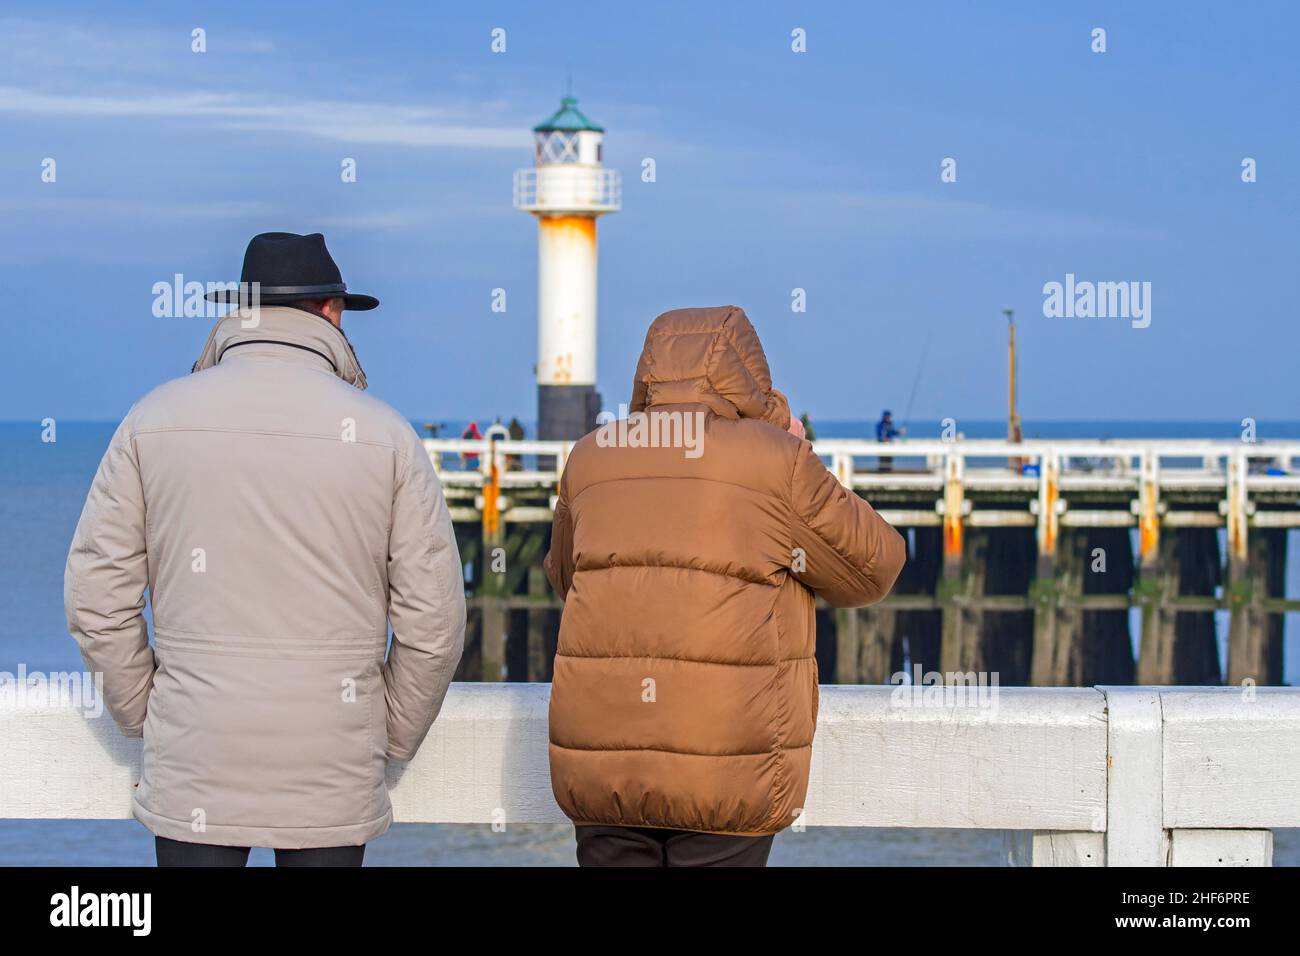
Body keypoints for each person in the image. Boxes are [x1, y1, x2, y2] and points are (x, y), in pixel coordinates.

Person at [64, 232, 466, 867]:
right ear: (332, 311)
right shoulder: (385, 434)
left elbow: (96, 599)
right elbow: (434, 625)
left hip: (196, 754)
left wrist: (155, 714)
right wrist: (385, 733)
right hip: (330, 761)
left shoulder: (152, 419)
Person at [543, 306, 906, 867]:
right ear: (747, 375)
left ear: (648, 373)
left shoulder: (591, 457)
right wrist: (787, 438)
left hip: (602, 770)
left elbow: (567, 577)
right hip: (729, 765)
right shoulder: (774, 459)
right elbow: (875, 566)